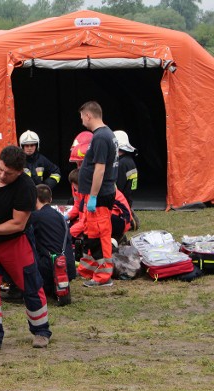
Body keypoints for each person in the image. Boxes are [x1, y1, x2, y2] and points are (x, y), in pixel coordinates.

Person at [0, 145, 51, 350]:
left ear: (19, 172)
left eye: (9, 173)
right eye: (1, 169)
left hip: (15, 242)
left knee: (30, 285)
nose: (2, 175)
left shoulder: (26, 187)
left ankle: (41, 331)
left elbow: (17, 224)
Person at [76, 101, 119, 288]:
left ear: (88, 115)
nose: (81, 120)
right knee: (90, 233)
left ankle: (103, 277)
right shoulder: (105, 134)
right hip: (97, 194)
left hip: (99, 195)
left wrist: (93, 196)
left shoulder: (101, 137)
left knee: (99, 235)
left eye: (81, 116)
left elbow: (100, 169)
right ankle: (89, 270)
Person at [30, 184, 76, 302]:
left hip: (48, 269)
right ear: (50, 199)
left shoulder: (36, 217)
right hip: (67, 268)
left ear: (34, 198)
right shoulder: (60, 216)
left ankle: (16, 289)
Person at [114, 130, 139, 230]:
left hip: (121, 201)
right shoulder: (128, 161)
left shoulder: (122, 164)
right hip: (128, 199)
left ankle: (127, 219)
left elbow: (117, 187)